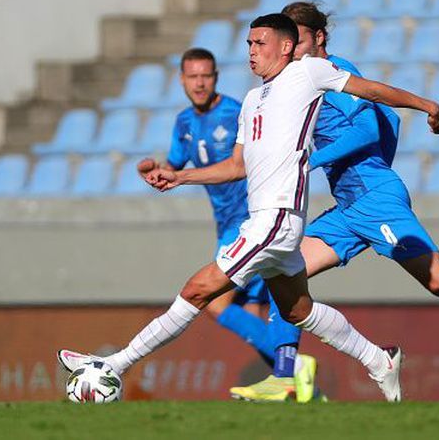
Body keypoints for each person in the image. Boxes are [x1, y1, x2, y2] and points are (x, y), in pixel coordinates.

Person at [58, 13, 439, 403]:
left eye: (260, 43)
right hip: (267, 222)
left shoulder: (308, 73)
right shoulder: (253, 101)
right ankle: (380, 361)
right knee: (298, 311)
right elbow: (235, 166)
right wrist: (179, 178)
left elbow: (371, 91)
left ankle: (114, 365)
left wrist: (425, 104)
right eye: (249, 44)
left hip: (276, 220)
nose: (251, 52)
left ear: (286, 46)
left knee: (197, 292)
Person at [231, 2, 439, 400]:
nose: (291, 50)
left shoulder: (334, 70)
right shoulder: (298, 82)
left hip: (375, 199)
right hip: (348, 209)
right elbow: (383, 123)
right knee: (283, 271)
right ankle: (286, 376)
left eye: (297, 40)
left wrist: (308, 159)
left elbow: (369, 129)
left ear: (318, 38)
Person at [136, 47, 318, 403]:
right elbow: (174, 165)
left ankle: (296, 367)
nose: (200, 83)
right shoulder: (184, 123)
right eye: (193, 76)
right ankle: (298, 391)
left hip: (251, 220)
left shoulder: (238, 112)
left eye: (206, 75)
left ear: (216, 77)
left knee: (216, 304)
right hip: (225, 225)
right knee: (251, 314)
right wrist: (157, 171)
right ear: (182, 80)